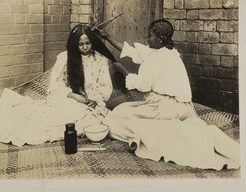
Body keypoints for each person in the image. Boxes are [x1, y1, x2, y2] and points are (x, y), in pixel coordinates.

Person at [96, 19, 240, 170]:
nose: (147, 39)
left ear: (160, 39)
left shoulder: (160, 59)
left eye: (150, 36)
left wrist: (122, 70)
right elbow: (134, 52)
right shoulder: (165, 51)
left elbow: (141, 86)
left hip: (165, 107)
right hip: (177, 106)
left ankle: (151, 134)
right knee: (121, 110)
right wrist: (107, 37)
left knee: (116, 119)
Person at [0, 24, 114, 147]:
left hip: (90, 102)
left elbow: (105, 86)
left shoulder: (100, 60)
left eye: (88, 43)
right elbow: (56, 83)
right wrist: (74, 96)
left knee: (90, 121)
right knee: (56, 117)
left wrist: (95, 100)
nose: (85, 47)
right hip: (69, 98)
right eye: (80, 44)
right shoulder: (65, 57)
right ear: (74, 45)